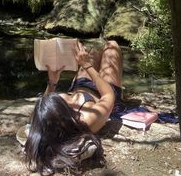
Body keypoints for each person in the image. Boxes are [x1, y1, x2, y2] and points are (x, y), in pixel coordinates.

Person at [24, 40, 124, 174]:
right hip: (104, 87)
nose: (59, 94)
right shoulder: (88, 119)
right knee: (111, 45)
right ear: (62, 113)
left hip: (80, 85)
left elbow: (45, 106)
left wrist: (53, 81)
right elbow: (108, 95)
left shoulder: (45, 124)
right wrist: (86, 65)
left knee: (93, 50)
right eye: (59, 98)